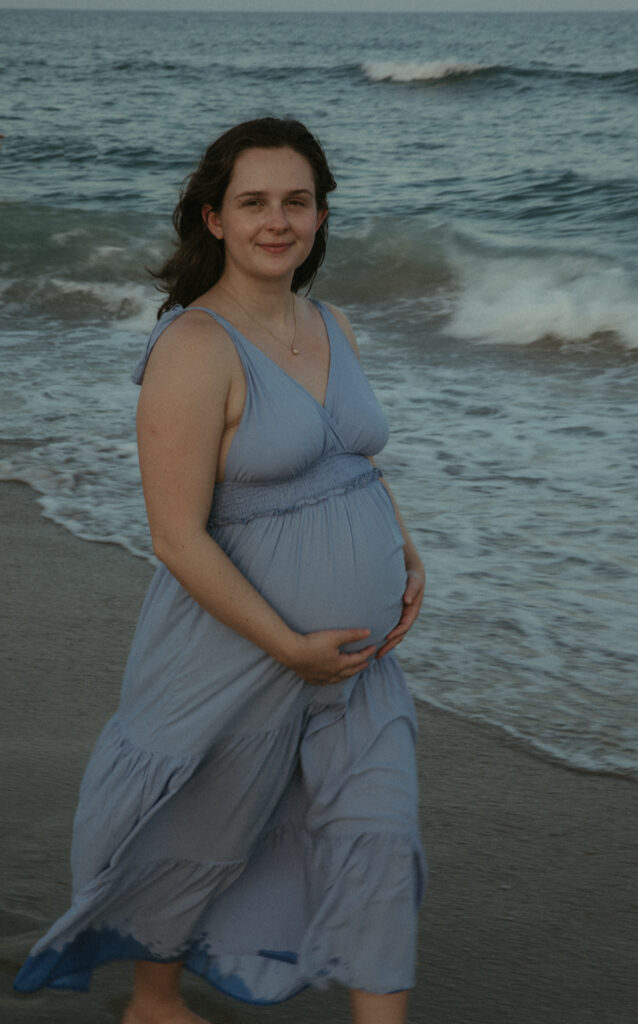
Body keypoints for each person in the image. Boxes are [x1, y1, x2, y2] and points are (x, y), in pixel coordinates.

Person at [14, 117, 426, 1024]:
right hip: (235, 649)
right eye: (253, 203)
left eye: (297, 201)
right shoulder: (194, 348)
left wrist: (398, 540)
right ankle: (153, 1003)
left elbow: (351, 458)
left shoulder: (333, 324)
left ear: (320, 215)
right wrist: (287, 645)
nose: (276, 220)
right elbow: (176, 535)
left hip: (358, 663)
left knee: (380, 837)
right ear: (213, 219)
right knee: (201, 825)